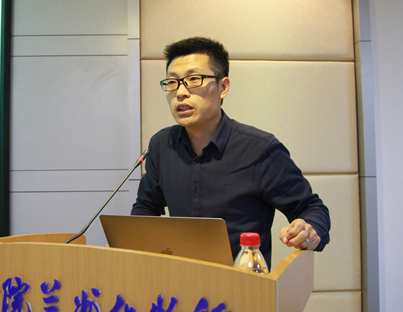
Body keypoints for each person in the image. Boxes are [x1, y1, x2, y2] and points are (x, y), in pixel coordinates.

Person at [131, 37, 330, 267]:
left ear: (223, 87)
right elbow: (146, 208)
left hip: (242, 282)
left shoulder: (260, 149)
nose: (181, 92)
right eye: (173, 82)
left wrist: (308, 230)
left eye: (193, 79)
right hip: (179, 281)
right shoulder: (161, 145)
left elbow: (311, 208)